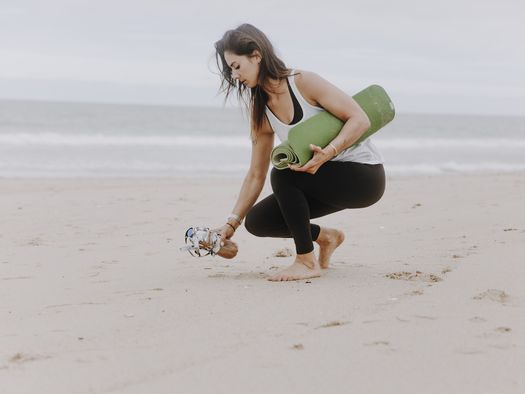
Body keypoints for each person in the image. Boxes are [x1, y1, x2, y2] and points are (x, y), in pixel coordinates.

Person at [213, 24, 385, 281]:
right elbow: (255, 174)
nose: (234, 75)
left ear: (256, 55)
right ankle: (327, 237)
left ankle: (306, 261)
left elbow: (360, 119)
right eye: (230, 70)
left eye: (236, 66)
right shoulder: (260, 110)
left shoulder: (303, 82)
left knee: (283, 175)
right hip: (322, 181)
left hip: (363, 177)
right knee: (259, 221)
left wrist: (328, 152)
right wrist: (231, 224)